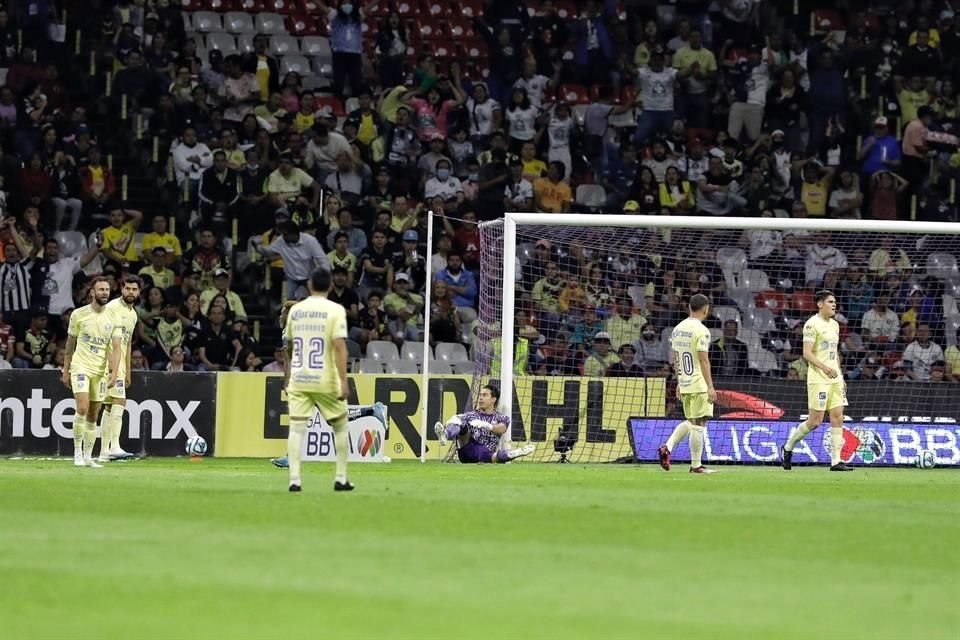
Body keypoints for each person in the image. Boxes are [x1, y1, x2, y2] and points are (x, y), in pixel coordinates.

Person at [282, 268, 352, 491]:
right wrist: (344, 380)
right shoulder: (335, 310)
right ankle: (340, 478)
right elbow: (340, 346)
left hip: (300, 377)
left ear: (310, 285)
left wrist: (295, 366)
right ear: (330, 286)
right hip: (325, 378)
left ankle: (294, 480)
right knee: (340, 426)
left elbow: (290, 345)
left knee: (296, 428)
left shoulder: (296, 310)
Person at [781, 290, 854, 472]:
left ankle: (836, 462)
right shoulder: (811, 324)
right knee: (815, 421)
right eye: (830, 302)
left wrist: (840, 375)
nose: (834, 305)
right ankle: (788, 447)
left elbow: (834, 353)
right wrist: (824, 368)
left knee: (838, 417)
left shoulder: (836, 325)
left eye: (835, 302)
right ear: (820, 304)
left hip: (834, 377)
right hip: (818, 378)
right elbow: (806, 353)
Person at [658, 294, 716, 474]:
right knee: (699, 423)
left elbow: (675, 359)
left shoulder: (677, 329)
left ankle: (667, 447)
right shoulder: (702, 330)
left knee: (691, 421)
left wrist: (678, 381)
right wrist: (710, 386)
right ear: (705, 309)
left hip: (684, 381)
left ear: (689, 307)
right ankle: (696, 466)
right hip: (698, 383)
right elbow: (704, 360)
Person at [62, 277, 113, 468]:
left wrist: (113, 371)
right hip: (81, 366)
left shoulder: (112, 316)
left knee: (93, 415)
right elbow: (69, 344)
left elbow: (114, 347)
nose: (104, 293)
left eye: (107, 290)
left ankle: (88, 456)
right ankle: (76, 452)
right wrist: (66, 370)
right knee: (82, 408)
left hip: (100, 371)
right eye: (100, 289)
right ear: (92, 292)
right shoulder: (79, 314)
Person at [433, 384, 535, 463]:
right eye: (480, 395)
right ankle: (445, 435)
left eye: (485, 395)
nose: (480, 398)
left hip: (485, 452)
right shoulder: (471, 415)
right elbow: (450, 422)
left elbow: (502, 429)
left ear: (493, 400)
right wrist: (452, 421)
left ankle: (515, 453)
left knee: (496, 456)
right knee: (460, 421)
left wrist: (488, 426)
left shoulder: (501, 417)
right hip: (467, 448)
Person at [102, 276, 141, 462]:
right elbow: (103, 337)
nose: (131, 292)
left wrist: (128, 371)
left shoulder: (133, 314)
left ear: (139, 292)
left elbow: (128, 344)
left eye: (134, 289)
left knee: (109, 406)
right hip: (109, 363)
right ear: (121, 289)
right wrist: (112, 366)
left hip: (121, 365)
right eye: (128, 289)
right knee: (119, 400)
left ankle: (104, 452)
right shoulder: (111, 308)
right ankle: (115, 446)